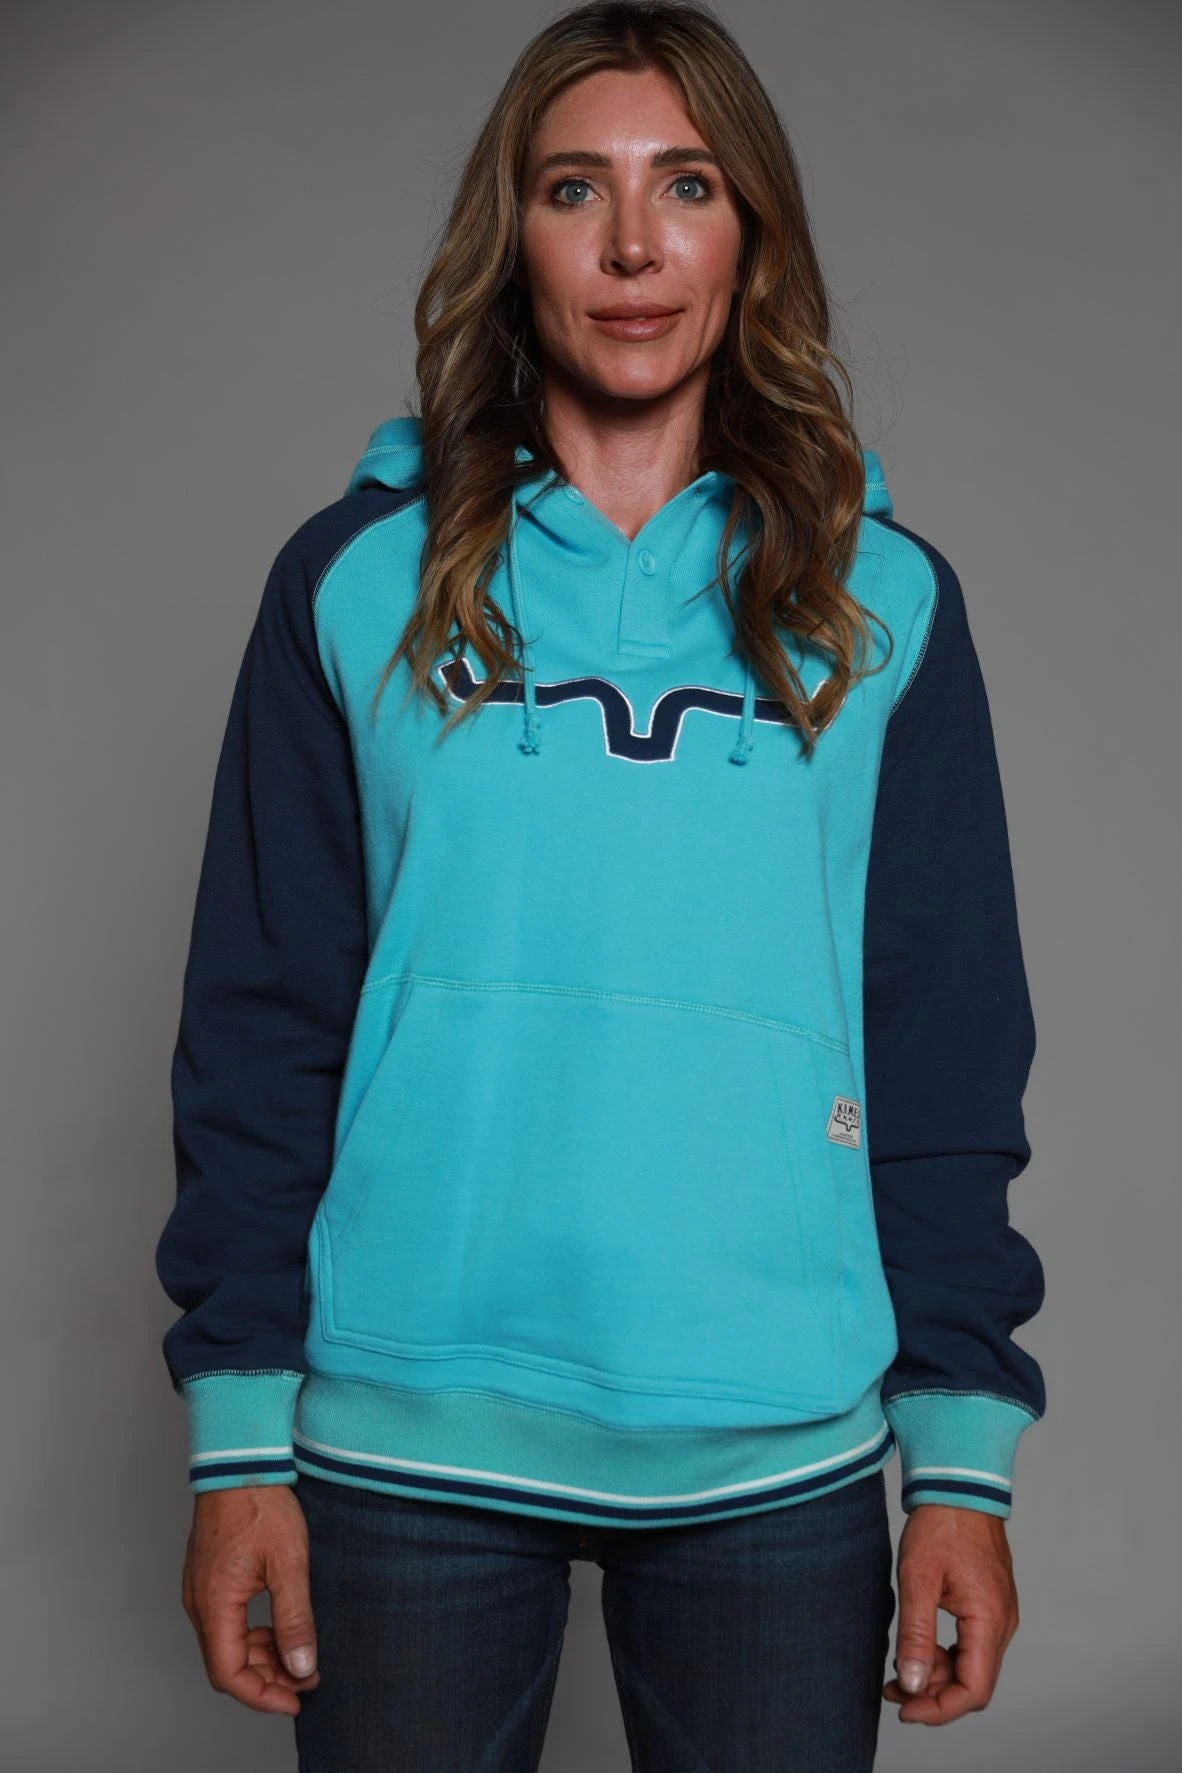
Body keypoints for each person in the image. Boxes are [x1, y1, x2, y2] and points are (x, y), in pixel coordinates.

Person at [154, 3, 1046, 1767]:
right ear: (514, 234)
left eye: (685, 185)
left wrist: (958, 1460)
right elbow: (261, 1020)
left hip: (773, 1445)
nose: (632, 244)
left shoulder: (886, 602)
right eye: (576, 189)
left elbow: (941, 1046)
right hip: (405, 1432)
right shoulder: (352, 580)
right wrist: (236, 1437)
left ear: (750, 237)